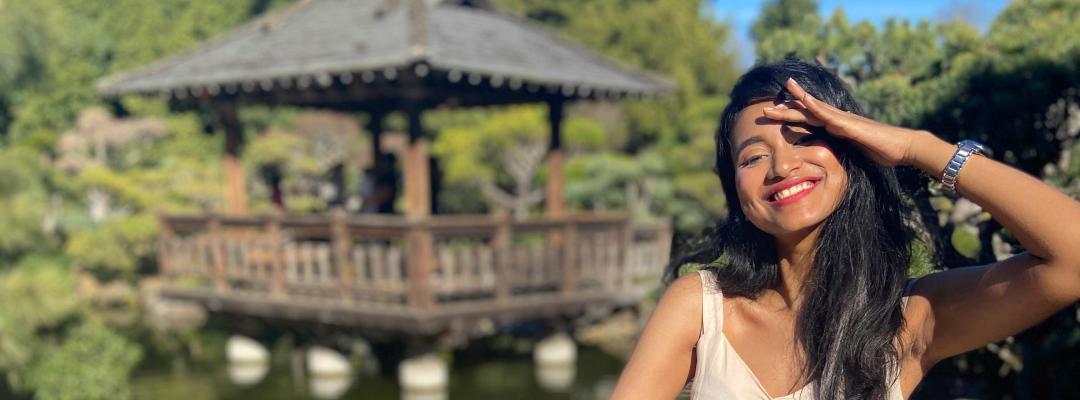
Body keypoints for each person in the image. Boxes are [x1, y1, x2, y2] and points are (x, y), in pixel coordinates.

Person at [610, 59, 1080, 399]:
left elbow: (1072, 260)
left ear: (852, 152)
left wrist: (917, 146)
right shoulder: (701, 308)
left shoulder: (909, 320)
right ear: (738, 197)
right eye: (753, 156)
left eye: (807, 138)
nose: (783, 166)